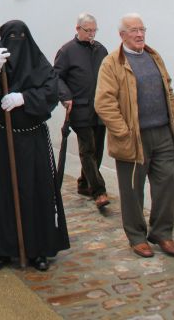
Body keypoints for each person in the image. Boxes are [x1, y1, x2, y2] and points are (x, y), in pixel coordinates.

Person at [0, 20, 70, 272]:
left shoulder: (40, 63)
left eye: (21, 36)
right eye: (11, 37)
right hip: (0, 138)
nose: (17, 41)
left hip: (32, 138)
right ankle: (1, 249)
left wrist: (24, 98)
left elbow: (51, 92)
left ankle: (38, 248)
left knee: (35, 192)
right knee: (0, 193)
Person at [95, 13, 174, 259]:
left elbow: (169, 89)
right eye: (133, 30)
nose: (139, 34)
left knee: (167, 185)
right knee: (133, 190)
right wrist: (123, 132)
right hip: (133, 138)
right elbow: (104, 103)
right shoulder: (111, 63)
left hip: (163, 133)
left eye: (142, 29)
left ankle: (162, 233)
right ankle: (136, 236)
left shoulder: (154, 57)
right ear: (122, 35)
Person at [54, 13, 109, 208]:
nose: (92, 34)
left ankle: (84, 183)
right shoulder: (67, 51)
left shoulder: (101, 49)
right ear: (78, 29)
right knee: (88, 149)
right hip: (79, 108)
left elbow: (109, 74)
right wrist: (66, 97)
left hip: (100, 108)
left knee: (99, 149)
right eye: (88, 30)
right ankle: (99, 191)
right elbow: (57, 77)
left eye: (94, 30)